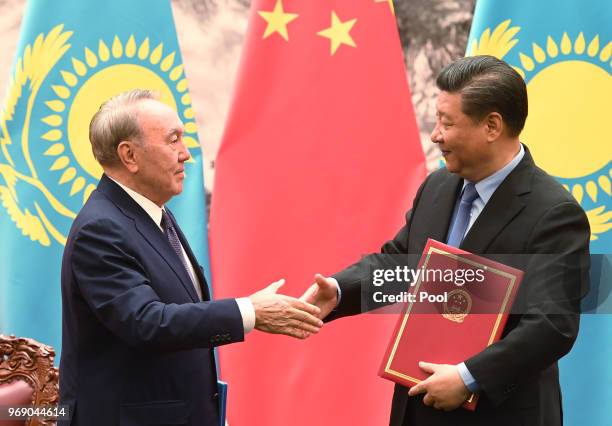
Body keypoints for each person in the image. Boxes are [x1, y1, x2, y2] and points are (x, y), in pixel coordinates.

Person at [302, 55, 590, 426]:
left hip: (498, 414)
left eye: (446, 123)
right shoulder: (438, 186)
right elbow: (399, 264)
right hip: (417, 405)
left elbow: (553, 324)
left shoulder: (554, 213)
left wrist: (469, 377)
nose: (435, 134)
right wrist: (339, 291)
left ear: (492, 126)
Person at [59, 89, 323, 426]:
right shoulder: (100, 229)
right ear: (129, 155)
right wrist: (248, 312)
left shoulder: (154, 213)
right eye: (173, 141)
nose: (186, 154)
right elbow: (147, 323)